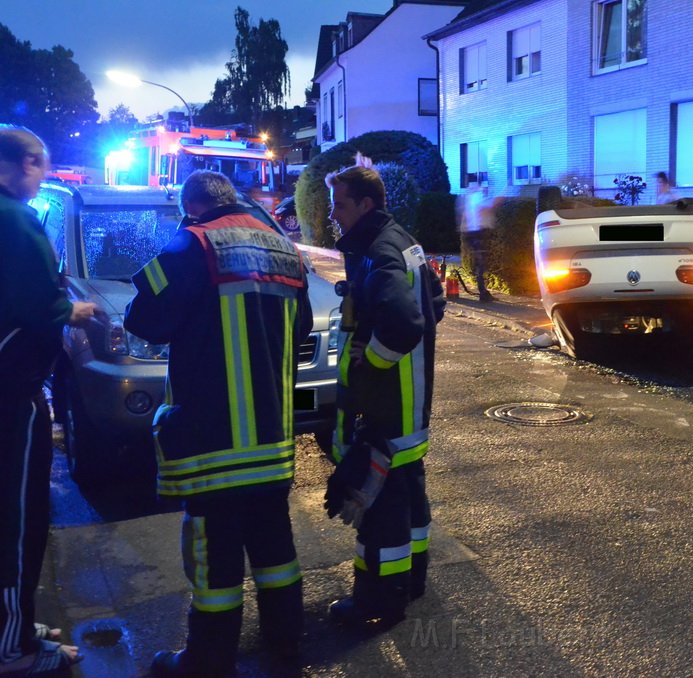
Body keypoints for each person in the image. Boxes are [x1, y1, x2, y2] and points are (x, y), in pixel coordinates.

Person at [125, 170, 312, 676]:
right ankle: (286, 643)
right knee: (275, 549)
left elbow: (142, 320)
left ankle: (208, 660)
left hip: (214, 443)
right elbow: (305, 326)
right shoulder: (282, 247)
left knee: (214, 559)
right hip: (271, 441)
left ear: (194, 208)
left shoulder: (194, 243)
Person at [322, 166, 445, 632]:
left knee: (382, 508)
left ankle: (380, 599)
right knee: (410, 493)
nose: (334, 214)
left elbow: (406, 323)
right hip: (411, 405)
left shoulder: (379, 252)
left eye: (341, 204)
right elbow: (434, 303)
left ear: (365, 205)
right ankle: (412, 581)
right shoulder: (403, 241)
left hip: (388, 408)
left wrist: (369, 365)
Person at [0, 125, 94, 675]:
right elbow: (48, 305)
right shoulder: (16, 220)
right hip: (12, 398)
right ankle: (14, 650)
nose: (42, 178)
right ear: (28, 162)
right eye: (40, 165)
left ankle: (14, 620)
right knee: (16, 521)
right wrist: (78, 311)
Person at [458, 184, 495, 301]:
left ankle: (483, 291)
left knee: (481, 263)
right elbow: (486, 207)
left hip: (473, 234)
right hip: (476, 234)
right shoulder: (475, 199)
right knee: (481, 263)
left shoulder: (469, 199)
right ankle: (483, 293)